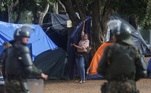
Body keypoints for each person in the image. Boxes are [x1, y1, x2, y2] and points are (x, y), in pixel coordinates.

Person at [99, 22, 146, 93]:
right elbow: (142, 72)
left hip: (112, 87)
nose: (112, 37)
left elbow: (100, 69)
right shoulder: (134, 50)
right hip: (129, 87)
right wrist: (131, 80)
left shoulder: (110, 49)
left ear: (118, 37)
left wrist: (111, 78)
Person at [2, 26, 48, 93]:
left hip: (8, 82)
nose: (28, 38)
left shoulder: (8, 50)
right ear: (20, 38)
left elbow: (4, 67)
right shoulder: (23, 48)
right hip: (19, 82)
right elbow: (29, 67)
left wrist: (6, 78)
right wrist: (40, 74)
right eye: (25, 37)